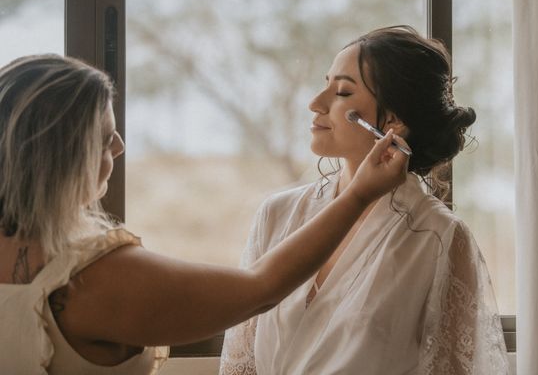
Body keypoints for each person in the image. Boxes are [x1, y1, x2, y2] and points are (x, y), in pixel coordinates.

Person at [0, 54, 409, 374]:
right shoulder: (88, 278)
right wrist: (357, 196)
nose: (121, 147)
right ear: (63, 156)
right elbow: (259, 288)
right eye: (106, 139)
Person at [220, 25, 509, 374]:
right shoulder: (277, 215)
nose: (315, 103)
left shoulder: (439, 238)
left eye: (342, 92)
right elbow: (241, 364)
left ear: (394, 121)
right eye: (326, 83)